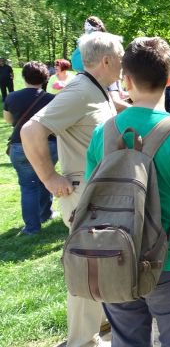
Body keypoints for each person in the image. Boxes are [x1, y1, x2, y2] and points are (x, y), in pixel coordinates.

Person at [85, 36, 170, 346]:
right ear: (169, 79)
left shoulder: (103, 133)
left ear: (126, 80)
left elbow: (91, 199)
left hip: (116, 260)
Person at [21, 32, 124, 347]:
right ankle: (82, 341)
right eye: (121, 57)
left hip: (97, 194)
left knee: (100, 263)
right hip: (82, 195)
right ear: (106, 60)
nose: (123, 63)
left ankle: (100, 323)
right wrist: (49, 177)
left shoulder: (96, 89)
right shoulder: (80, 91)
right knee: (88, 266)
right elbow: (31, 130)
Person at [3, 61, 58, 235]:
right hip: (48, 144)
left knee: (28, 186)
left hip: (20, 144)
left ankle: (32, 227)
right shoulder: (52, 99)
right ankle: (45, 214)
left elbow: (9, 120)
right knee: (46, 178)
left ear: (24, 76)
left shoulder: (12, 97)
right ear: (46, 78)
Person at [71, 15, 130, 113]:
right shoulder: (103, 44)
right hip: (100, 76)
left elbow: (75, 64)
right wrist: (139, 111)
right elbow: (116, 103)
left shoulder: (85, 45)